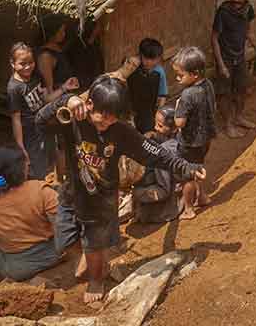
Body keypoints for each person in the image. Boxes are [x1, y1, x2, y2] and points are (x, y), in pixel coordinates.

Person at [36, 76, 205, 304]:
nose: (105, 125)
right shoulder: (71, 118)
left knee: (94, 245)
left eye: (112, 120)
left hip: (102, 200)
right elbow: (39, 121)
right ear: (89, 105)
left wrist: (187, 167)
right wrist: (65, 100)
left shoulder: (121, 132)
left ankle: (97, 278)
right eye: (102, 119)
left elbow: (155, 153)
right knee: (65, 243)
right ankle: (94, 257)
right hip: (72, 193)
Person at [0, 144, 62, 282]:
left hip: (16, 269)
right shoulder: (41, 190)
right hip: (51, 256)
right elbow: (62, 226)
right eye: (26, 165)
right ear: (21, 169)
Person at [7, 42, 79, 179]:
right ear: (12, 63)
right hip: (31, 135)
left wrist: (64, 88)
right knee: (35, 169)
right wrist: (20, 147)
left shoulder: (34, 77)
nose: (28, 67)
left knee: (48, 164)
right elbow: (16, 120)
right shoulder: (14, 88)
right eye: (23, 63)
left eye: (31, 62)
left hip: (44, 126)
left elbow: (46, 99)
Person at [211, 0, 256, 139]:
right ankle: (228, 124)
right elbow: (214, 38)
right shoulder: (223, 12)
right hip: (225, 59)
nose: (236, 1)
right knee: (225, 93)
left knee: (242, 89)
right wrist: (221, 65)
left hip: (239, 57)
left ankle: (238, 116)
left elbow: (248, 32)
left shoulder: (248, 10)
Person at [171, 47, 218, 220]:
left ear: (195, 74)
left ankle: (189, 208)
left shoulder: (188, 94)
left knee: (187, 176)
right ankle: (203, 197)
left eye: (180, 75)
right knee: (198, 166)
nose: (177, 78)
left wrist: (177, 108)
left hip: (190, 142)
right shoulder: (209, 85)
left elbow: (179, 123)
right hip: (205, 138)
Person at [132, 105, 184, 223]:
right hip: (174, 184)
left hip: (169, 194)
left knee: (136, 191)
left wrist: (137, 193)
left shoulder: (164, 153)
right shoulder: (180, 139)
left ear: (174, 129)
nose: (155, 128)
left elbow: (164, 189)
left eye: (160, 126)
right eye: (155, 123)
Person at [126, 37, 168, 134]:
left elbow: (162, 96)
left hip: (148, 111)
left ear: (158, 58)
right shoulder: (132, 68)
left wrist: (159, 113)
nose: (149, 62)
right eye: (146, 58)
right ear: (140, 55)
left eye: (153, 59)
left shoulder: (159, 72)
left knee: (147, 135)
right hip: (131, 108)